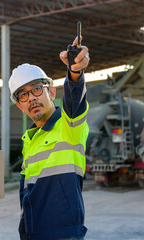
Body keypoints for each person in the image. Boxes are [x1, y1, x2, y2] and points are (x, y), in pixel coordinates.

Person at [8, 37, 90, 240]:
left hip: (63, 234)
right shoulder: (29, 140)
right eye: (23, 95)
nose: (32, 98)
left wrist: (75, 72)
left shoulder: (69, 125)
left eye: (37, 89)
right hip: (32, 233)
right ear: (20, 106)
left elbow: (75, 99)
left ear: (52, 92)